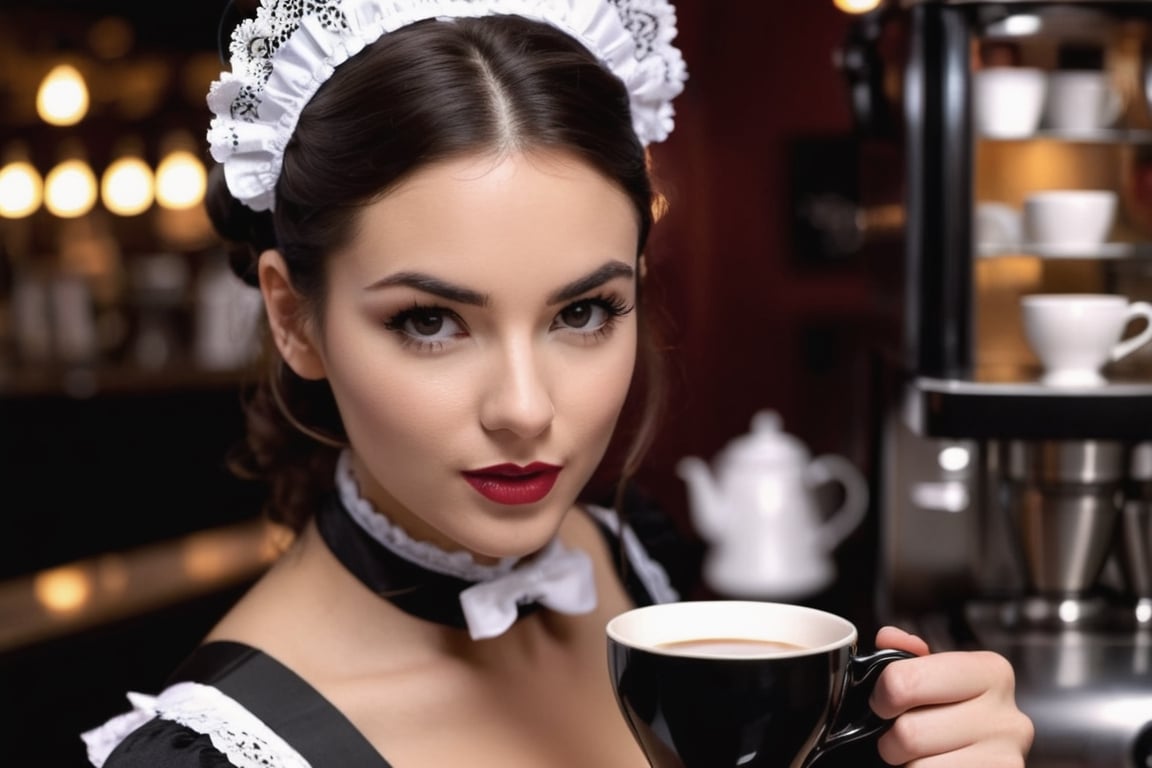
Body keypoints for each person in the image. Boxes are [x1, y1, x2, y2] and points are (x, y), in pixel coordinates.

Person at [82, 0, 1034, 765]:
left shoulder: (630, 562)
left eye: (582, 312)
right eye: (430, 322)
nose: (527, 410)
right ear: (294, 319)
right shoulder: (218, 750)